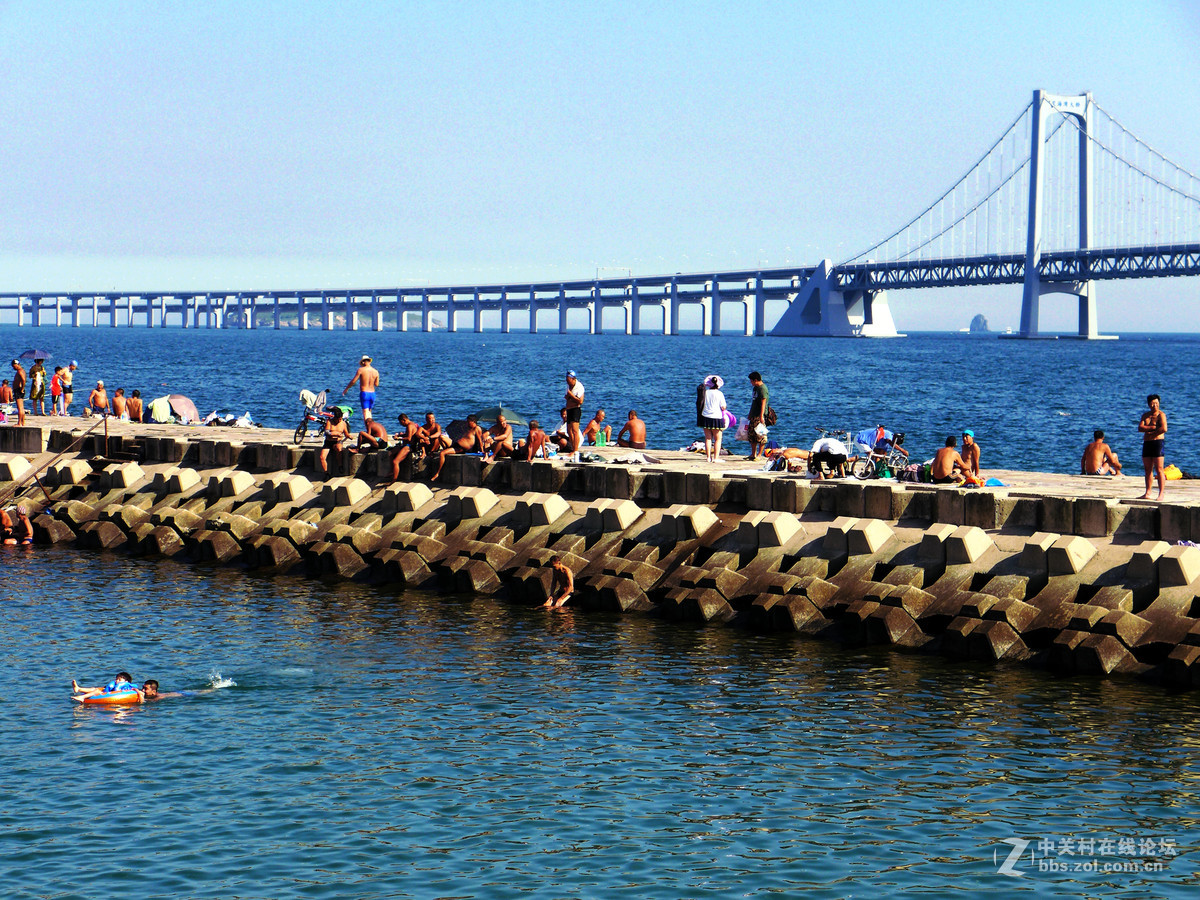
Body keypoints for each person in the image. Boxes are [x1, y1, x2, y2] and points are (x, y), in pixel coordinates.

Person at [432, 414, 484, 482]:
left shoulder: (477, 428)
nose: (467, 423)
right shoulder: (469, 429)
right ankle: (446, 449)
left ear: (473, 421)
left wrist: (482, 451)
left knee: (442, 453)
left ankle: (438, 473)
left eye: (469, 422)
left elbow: (480, 441)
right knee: (441, 437)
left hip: (461, 448)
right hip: (456, 444)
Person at [1139, 393, 1168, 500]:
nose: (1154, 406)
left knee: (1159, 469)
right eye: (1152, 404)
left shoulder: (1161, 415)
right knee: (1148, 469)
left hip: (1157, 443)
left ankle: (1161, 493)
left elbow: (1164, 428)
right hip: (1147, 444)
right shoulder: (1145, 415)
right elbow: (1140, 427)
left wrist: (1152, 434)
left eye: (1156, 403)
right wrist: (1151, 427)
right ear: (1149, 404)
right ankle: (1148, 492)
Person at [342, 354, 380, 424]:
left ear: (363, 362)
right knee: (369, 412)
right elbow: (376, 384)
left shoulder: (361, 370)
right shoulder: (376, 371)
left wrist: (346, 388)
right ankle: (371, 428)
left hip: (365, 393)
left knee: (365, 412)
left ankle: (368, 429)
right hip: (372, 393)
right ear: (369, 361)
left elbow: (354, 381)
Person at [699, 375, 728, 463]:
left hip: (705, 416)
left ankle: (708, 457)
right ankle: (716, 458)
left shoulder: (705, 393)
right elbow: (723, 407)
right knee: (718, 439)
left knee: (708, 438)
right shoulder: (720, 394)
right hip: (716, 417)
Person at [318, 406, 351, 474]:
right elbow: (326, 432)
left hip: (337, 442)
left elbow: (346, 434)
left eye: (340, 419)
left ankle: (340, 466)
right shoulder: (329, 422)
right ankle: (326, 473)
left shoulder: (343, 423)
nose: (339, 421)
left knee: (339, 449)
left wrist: (349, 436)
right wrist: (334, 433)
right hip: (328, 442)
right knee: (322, 457)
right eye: (338, 419)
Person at [388, 414, 421, 481]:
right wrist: (402, 434)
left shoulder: (409, 426)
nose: (401, 424)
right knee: (390, 453)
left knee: (395, 461)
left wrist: (399, 438)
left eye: (401, 422)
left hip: (409, 447)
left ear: (404, 420)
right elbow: (410, 434)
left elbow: (409, 438)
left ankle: (394, 479)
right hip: (406, 445)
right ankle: (392, 471)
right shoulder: (412, 424)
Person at [71, 672, 139, 701]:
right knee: (94, 689)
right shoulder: (114, 685)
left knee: (96, 691)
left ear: (126, 681)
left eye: (119, 679)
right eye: (116, 679)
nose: (116, 681)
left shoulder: (128, 687)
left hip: (116, 695)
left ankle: (82, 697)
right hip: (108, 694)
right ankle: (78, 689)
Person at [747, 371, 769, 461]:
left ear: (756, 380)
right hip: (753, 414)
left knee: (761, 435)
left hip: (759, 415)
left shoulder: (762, 388)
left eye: (751, 381)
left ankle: (759, 455)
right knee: (751, 435)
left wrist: (761, 415)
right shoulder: (755, 388)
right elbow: (754, 402)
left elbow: (764, 401)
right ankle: (753, 454)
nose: (751, 383)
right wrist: (750, 413)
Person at [564, 371, 585, 455]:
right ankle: (573, 448)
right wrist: (569, 396)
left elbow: (580, 401)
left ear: (573, 379)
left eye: (568, 380)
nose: (567, 381)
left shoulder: (579, 387)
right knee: (569, 431)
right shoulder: (568, 386)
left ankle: (575, 450)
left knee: (575, 430)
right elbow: (566, 397)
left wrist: (571, 395)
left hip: (575, 410)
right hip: (569, 409)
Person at [11, 359, 26, 426]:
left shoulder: (20, 371)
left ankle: (19, 423)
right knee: (21, 408)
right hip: (19, 390)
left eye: (13, 366)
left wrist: (22, 389)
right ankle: (23, 422)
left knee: (19, 408)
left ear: (16, 365)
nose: (13, 368)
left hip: (18, 390)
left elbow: (23, 380)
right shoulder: (22, 371)